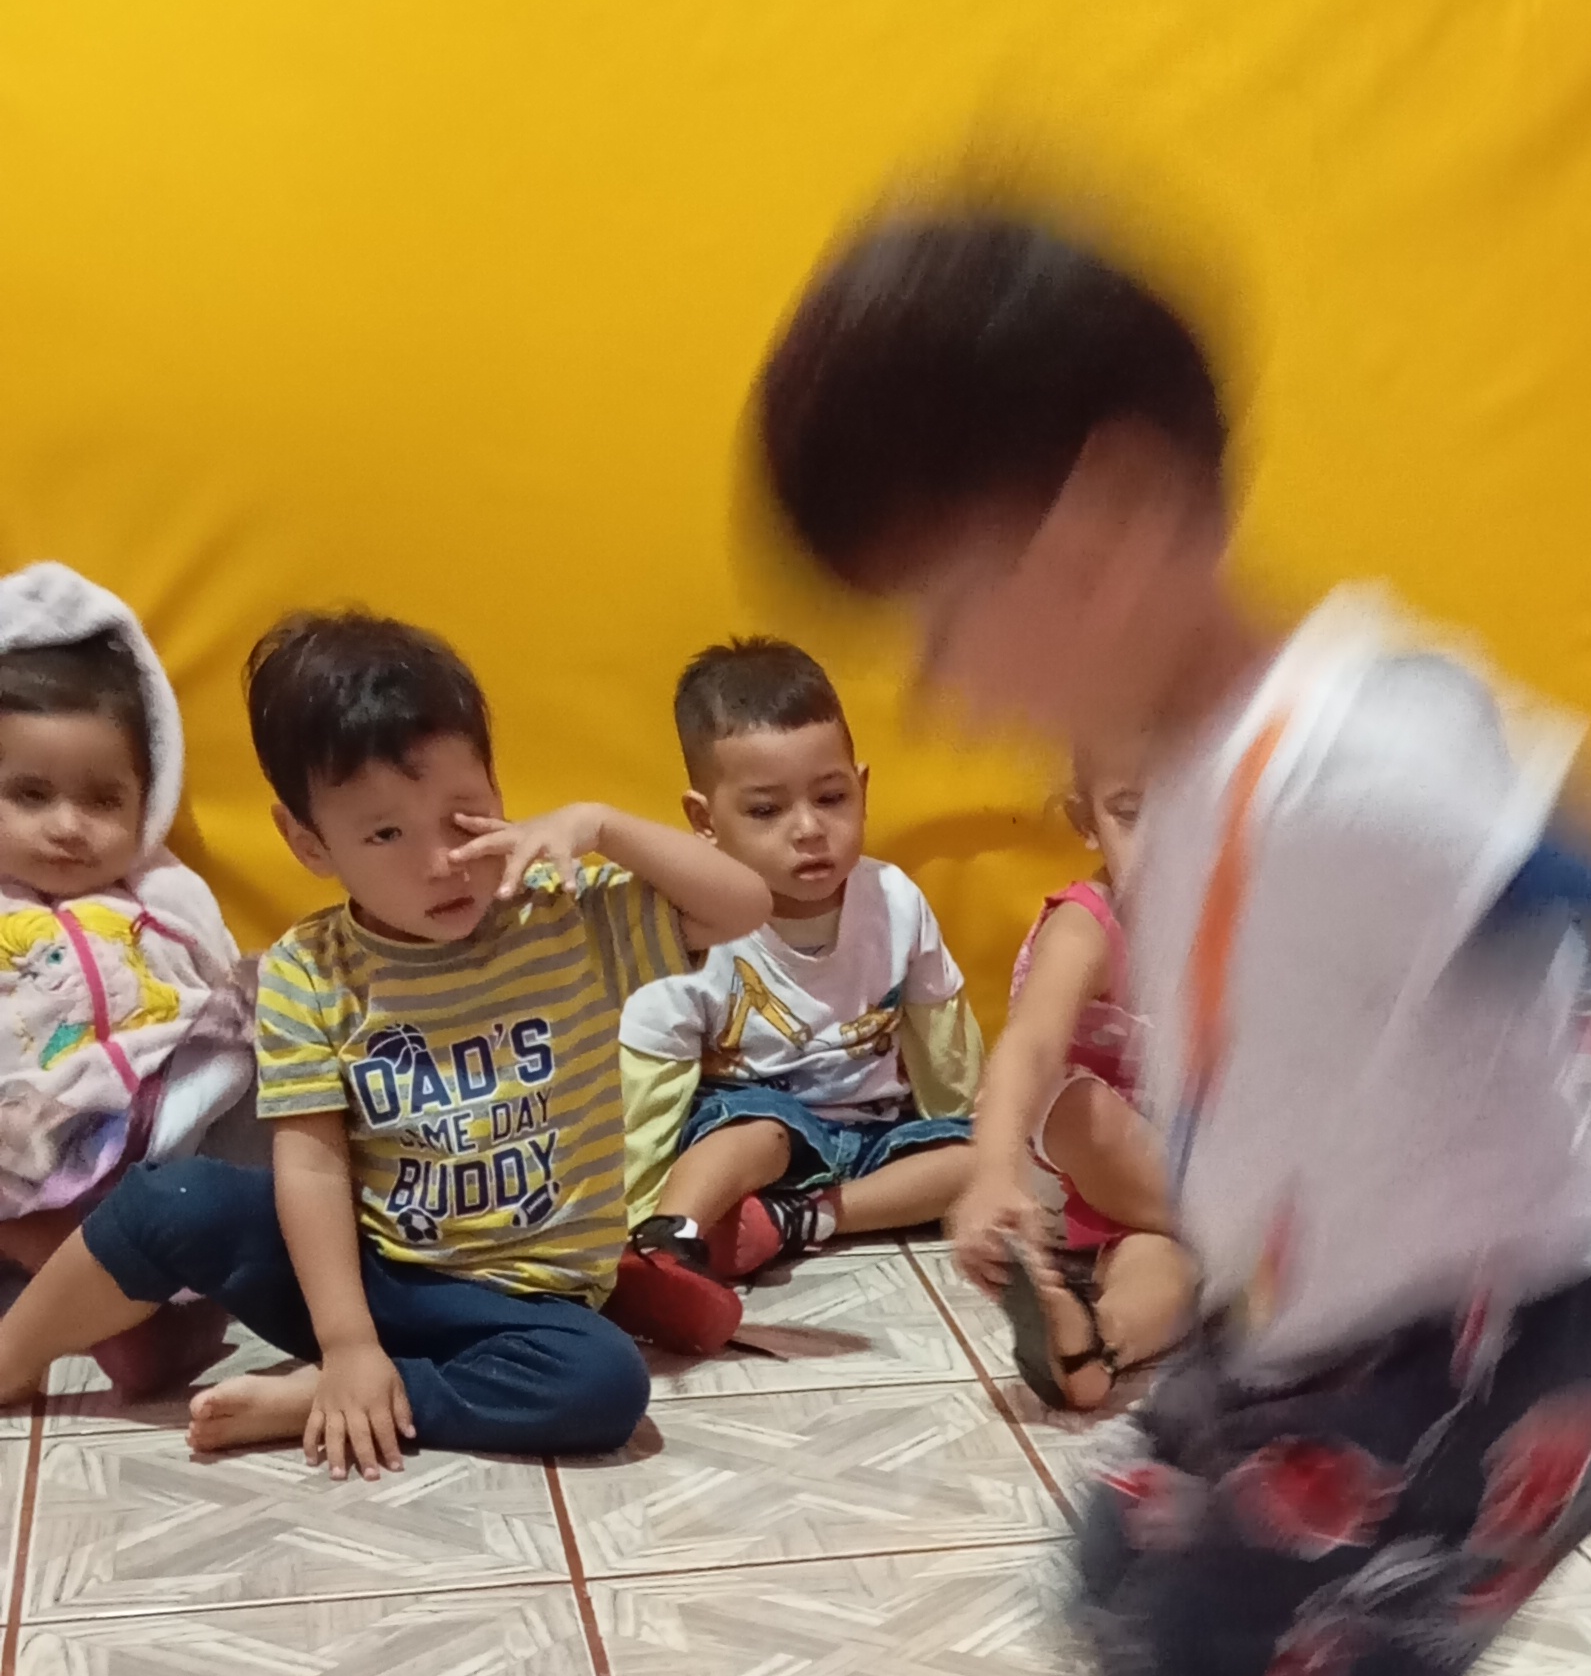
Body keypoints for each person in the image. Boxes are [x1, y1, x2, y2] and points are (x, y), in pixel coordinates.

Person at [754, 205, 1591, 1676]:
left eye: (946, 614)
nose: (938, 683)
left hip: (1498, 1344)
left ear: (1098, 528)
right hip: (1335, 1309)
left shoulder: (1353, 750)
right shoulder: (1195, 749)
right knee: (1127, 1583)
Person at [0, 610, 771, 1463]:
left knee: (604, 1384)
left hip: (523, 1303)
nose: (440, 861)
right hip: (361, 1275)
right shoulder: (309, 972)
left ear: (498, 793)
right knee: (171, 1199)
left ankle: (346, 1401)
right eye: (385, 833)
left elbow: (745, 903)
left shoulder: (565, 919)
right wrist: (347, 1343)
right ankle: (12, 1358)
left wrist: (603, 825)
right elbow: (312, 1165)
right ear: (308, 842)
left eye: (463, 816)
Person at [618, 636, 980, 1293]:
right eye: (766, 810)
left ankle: (799, 1220)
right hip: (754, 1132)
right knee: (755, 1130)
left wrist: (961, 1128)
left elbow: (941, 1042)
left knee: (979, 1160)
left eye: (832, 798)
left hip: (875, 1137)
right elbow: (650, 1083)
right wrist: (636, 1204)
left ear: (862, 788)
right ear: (704, 819)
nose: (809, 829)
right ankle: (667, 1242)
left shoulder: (895, 901)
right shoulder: (690, 928)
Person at [0, 562, 257, 1402]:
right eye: (30, 794)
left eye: (103, 800)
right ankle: (90, 1295)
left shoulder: (163, 896)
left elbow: (217, 987)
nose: (68, 826)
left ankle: (136, 1307)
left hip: (143, 1138)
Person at [950, 749, 1194, 1409]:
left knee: (1160, 1265)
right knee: (1077, 1108)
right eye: (1131, 813)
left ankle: (1094, 1344)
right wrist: (992, 1175)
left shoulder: (1257, 917)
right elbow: (1029, 1046)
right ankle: (1261, 1248)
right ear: (1086, 821)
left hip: (1170, 1188)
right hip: (1083, 1168)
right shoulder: (1088, 926)